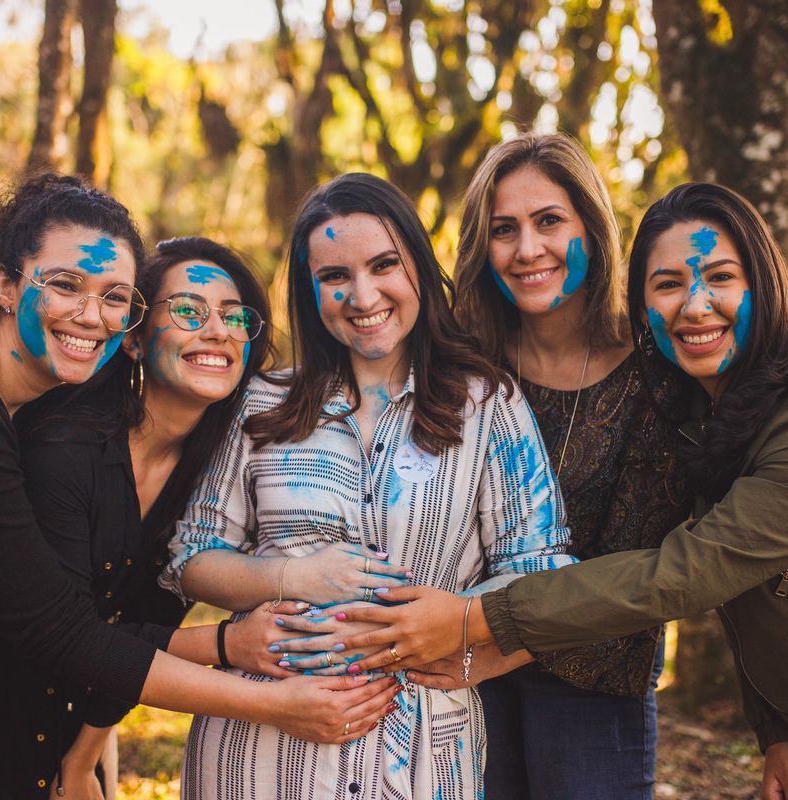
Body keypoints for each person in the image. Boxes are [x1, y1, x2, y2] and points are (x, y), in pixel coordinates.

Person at [0, 175, 397, 800]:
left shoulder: (52, 417)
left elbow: (124, 619)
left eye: (115, 296)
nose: (91, 315)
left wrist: (83, 755)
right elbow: (54, 627)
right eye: (65, 284)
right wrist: (266, 692)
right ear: (5, 285)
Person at [338, 182, 788, 800]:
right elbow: (756, 596)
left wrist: (477, 618)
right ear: (641, 306)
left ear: (764, 284)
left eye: (720, 277)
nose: (695, 305)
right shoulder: (710, 410)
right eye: (667, 285)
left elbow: (696, 569)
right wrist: (780, 730)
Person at [160, 172, 575, 800]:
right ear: (310, 291)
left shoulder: (487, 404)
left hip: (423, 753)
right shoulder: (261, 403)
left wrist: (455, 625)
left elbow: (541, 570)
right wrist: (292, 577)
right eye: (335, 276)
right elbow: (191, 557)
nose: (362, 295)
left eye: (384, 265)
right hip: (260, 752)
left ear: (418, 267)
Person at [0, 236, 312, 799]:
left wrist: (81, 761)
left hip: (67, 732)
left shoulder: (212, 483)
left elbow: (141, 631)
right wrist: (228, 644)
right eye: (189, 311)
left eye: (235, 316)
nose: (218, 330)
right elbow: (73, 636)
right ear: (135, 339)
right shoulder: (63, 448)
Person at [442, 132, 691, 799]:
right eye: (504, 229)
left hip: (595, 678)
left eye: (549, 220)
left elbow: (634, 567)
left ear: (592, 229)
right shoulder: (460, 363)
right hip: (460, 670)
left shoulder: (655, 371)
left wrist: (492, 642)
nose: (528, 249)